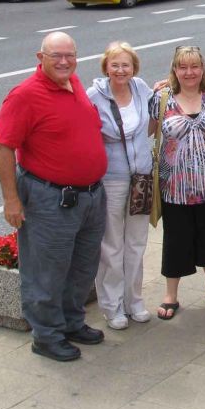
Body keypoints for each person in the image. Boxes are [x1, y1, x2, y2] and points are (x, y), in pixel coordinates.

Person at [0, 32, 107, 362]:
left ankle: (71, 323)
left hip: (89, 197)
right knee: (47, 271)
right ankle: (46, 335)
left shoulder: (74, 83)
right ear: (39, 57)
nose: (63, 61)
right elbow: (4, 147)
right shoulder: (25, 95)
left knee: (82, 268)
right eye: (55, 55)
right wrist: (11, 199)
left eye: (69, 55)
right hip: (50, 199)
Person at [150, 46, 205, 320]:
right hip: (175, 186)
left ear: (202, 68)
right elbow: (146, 131)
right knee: (176, 239)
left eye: (194, 66)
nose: (189, 72)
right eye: (183, 67)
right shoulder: (162, 98)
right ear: (174, 70)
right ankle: (171, 295)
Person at [86, 42, 154, 330]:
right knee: (112, 245)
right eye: (115, 65)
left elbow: (155, 119)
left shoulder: (141, 88)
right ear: (106, 67)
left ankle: (134, 300)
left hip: (142, 177)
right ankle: (112, 306)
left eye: (126, 65)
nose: (120, 70)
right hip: (112, 178)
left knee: (136, 242)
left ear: (134, 68)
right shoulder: (94, 96)